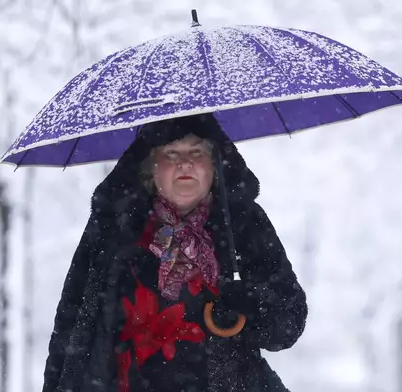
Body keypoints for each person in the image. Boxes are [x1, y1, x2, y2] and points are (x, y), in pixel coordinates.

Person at [42, 113, 308, 392]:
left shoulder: (243, 224)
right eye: (171, 152)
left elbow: (286, 325)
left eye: (197, 151)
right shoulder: (115, 229)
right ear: (150, 167)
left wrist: (251, 303)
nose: (185, 162)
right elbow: (72, 326)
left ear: (215, 166)